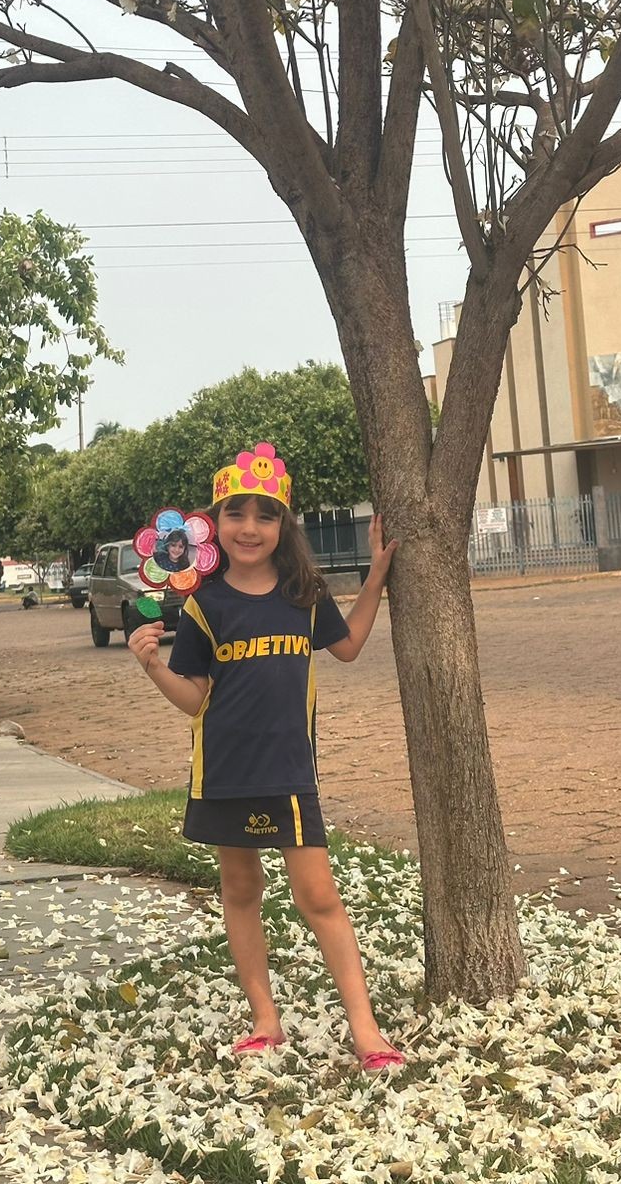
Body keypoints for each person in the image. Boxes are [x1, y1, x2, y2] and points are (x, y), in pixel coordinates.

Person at [128, 444, 404, 1072]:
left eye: (265, 516)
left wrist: (376, 578)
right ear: (214, 524)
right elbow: (194, 699)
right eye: (236, 515)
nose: (249, 528)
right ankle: (265, 1019)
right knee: (241, 888)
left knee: (319, 897)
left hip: (288, 773)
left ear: (284, 525)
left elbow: (351, 647)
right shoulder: (205, 606)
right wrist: (151, 665)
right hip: (224, 771)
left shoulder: (303, 593)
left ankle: (366, 1030)